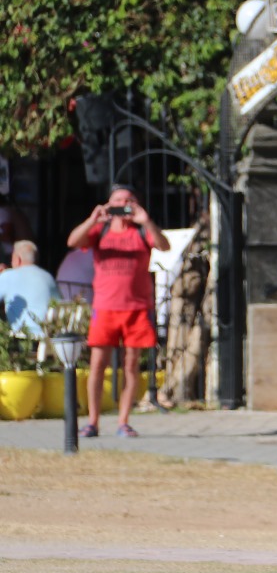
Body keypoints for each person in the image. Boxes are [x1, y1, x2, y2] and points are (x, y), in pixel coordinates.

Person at [65, 188, 170, 439]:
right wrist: (93, 219)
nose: (124, 204)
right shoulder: (99, 230)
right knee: (97, 365)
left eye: (129, 200)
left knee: (131, 366)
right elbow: (72, 241)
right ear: (109, 204)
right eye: (118, 201)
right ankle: (92, 421)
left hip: (137, 309)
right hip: (105, 308)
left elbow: (164, 246)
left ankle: (123, 421)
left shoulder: (142, 231)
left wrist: (146, 221)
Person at [0, 241, 60, 337]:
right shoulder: (48, 277)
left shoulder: (8, 275)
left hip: (22, 337)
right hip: (49, 336)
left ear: (18, 259)